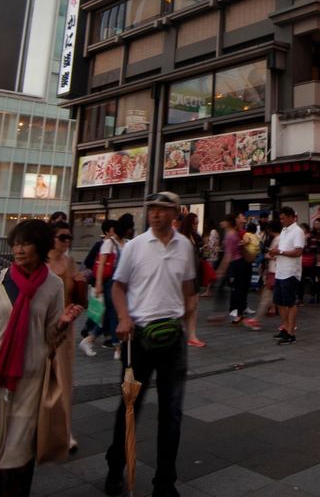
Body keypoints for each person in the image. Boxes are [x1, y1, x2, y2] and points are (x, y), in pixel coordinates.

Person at [0, 219, 81, 497]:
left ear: (41, 246)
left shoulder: (53, 285)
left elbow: (50, 338)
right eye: (16, 243)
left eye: (26, 243)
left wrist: (62, 324)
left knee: (18, 458)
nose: (19, 250)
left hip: (29, 380)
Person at [105, 191, 197, 497]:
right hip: (139, 338)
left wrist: (185, 322)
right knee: (130, 407)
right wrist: (123, 317)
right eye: (152, 209)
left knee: (171, 412)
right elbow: (118, 287)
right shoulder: (134, 246)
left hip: (173, 339)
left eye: (162, 209)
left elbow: (187, 286)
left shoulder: (185, 245)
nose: (155, 214)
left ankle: (165, 482)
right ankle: (115, 466)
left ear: (175, 213)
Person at [46, 220, 87, 453]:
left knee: (63, 381)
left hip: (65, 330)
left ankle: (64, 430)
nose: (67, 241)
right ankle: (38, 426)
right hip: (41, 329)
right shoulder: (39, 262)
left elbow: (75, 295)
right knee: (40, 381)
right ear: (50, 238)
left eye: (69, 237)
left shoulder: (70, 262)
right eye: (62, 237)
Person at [80, 219, 123, 355]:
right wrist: (99, 282)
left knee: (106, 314)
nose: (115, 231)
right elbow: (90, 262)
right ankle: (114, 344)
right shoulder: (102, 244)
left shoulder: (119, 243)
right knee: (106, 313)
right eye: (112, 229)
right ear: (107, 231)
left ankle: (92, 336)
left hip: (113, 284)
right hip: (105, 283)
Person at [270, 206, 305, 345]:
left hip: (291, 272)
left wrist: (280, 252)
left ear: (292, 217)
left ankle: (291, 333)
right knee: (279, 302)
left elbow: (298, 252)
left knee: (290, 303)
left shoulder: (298, 232)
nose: (282, 221)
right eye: (281, 218)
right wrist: (276, 252)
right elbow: (283, 250)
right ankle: (285, 327)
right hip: (280, 271)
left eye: (284, 218)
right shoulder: (284, 230)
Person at [176, 212, 207, 348]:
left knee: (193, 307)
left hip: (194, 274)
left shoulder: (195, 237)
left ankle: (191, 335)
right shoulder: (181, 237)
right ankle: (180, 330)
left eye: (197, 223)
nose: (196, 225)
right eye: (194, 223)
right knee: (186, 307)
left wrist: (202, 250)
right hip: (183, 277)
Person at [303, 218, 320, 305]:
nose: (316, 225)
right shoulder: (311, 234)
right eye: (315, 223)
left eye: (318, 223)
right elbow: (308, 245)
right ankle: (313, 296)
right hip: (312, 259)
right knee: (312, 278)